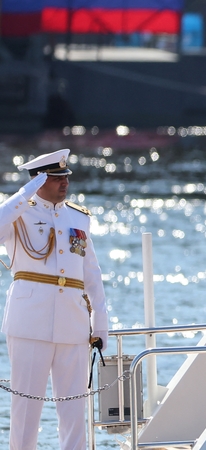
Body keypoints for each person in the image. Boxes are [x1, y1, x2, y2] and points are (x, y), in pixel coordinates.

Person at [0, 148, 108, 450]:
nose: (65, 183)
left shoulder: (78, 218)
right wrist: (24, 194)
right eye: (56, 177)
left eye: (66, 177)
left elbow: (92, 275)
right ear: (39, 179)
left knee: (74, 412)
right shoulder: (17, 213)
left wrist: (100, 323)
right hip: (29, 324)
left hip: (72, 324)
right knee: (25, 412)